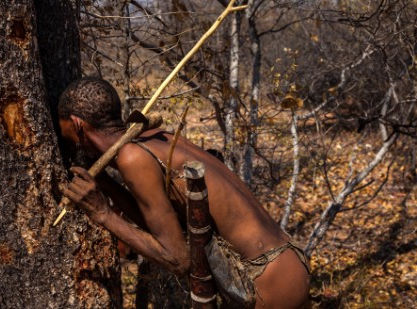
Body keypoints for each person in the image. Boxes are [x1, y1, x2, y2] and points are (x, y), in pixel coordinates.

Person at [58, 77, 310, 308]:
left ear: (78, 124)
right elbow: (158, 224)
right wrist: (105, 184)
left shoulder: (131, 156)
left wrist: (102, 212)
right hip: (288, 263)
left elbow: (178, 259)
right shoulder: (152, 136)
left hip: (268, 281)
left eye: (64, 129)